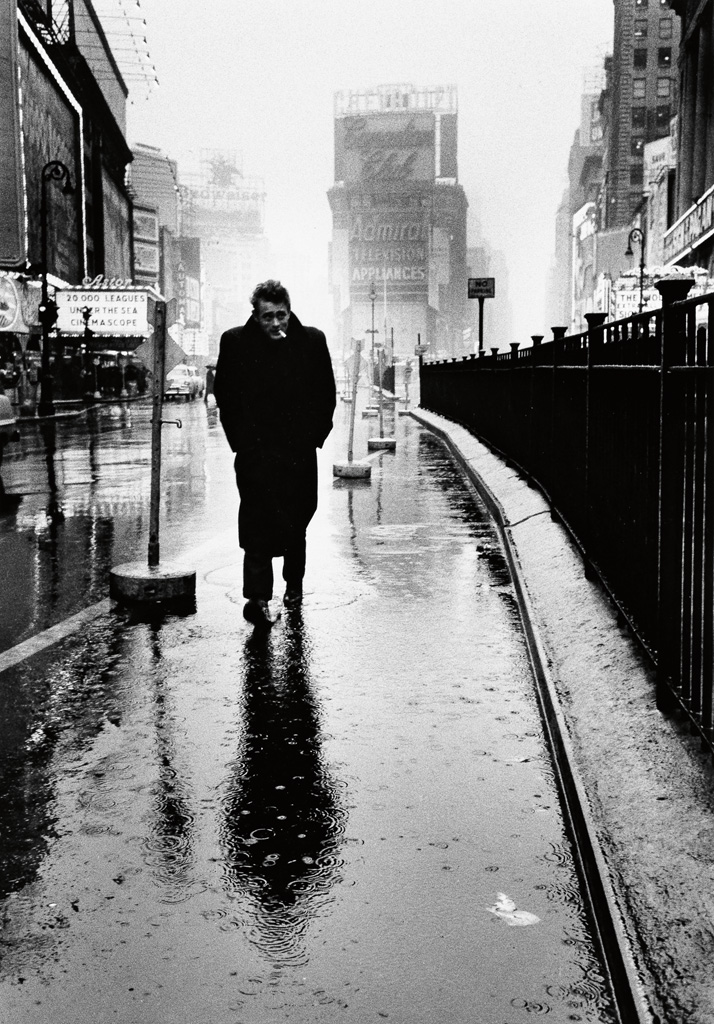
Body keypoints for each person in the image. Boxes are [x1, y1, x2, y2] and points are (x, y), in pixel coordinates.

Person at [213, 280, 336, 628]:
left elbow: (326, 392)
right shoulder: (235, 342)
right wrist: (241, 442)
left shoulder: (311, 341)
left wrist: (313, 436)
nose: (275, 324)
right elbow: (225, 394)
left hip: (297, 453)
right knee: (256, 521)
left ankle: (293, 584)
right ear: (255, 314)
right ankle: (257, 597)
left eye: (280, 315)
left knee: (297, 520)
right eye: (267, 317)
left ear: (289, 310)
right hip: (256, 453)